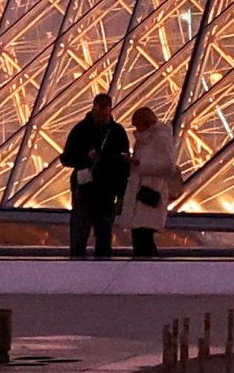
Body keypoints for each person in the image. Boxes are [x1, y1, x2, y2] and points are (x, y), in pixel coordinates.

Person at [58, 92, 128, 259]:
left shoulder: (117, 132)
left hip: (106, 191)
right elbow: (66, 158)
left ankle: (100, 271)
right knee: (79, 237)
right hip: (85, 191)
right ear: (93, 109)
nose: (102, 116)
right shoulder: (80, 130)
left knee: (103, 236)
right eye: (99, 113)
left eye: (105, 113)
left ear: (110, 110)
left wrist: (121, 195)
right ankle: (78, 269)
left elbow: (124, 165)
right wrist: (85, 156)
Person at [125, 106, 179, 259]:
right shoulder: (147, 139)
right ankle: (147, 272)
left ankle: (147, 272)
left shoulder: (160, 137)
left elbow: (169, 166)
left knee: (143, 237)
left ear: (145, 122)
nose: (136, 129)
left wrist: (140, 163)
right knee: (141, 236)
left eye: (137, 125)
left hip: (150, 193)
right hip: (143, 193)